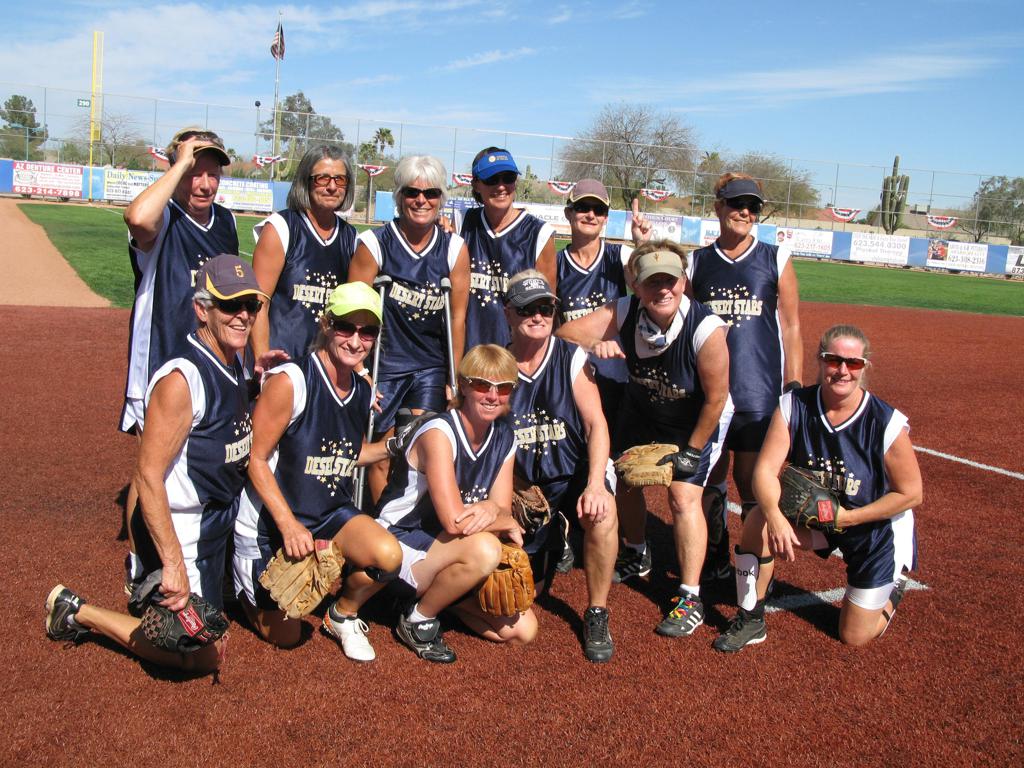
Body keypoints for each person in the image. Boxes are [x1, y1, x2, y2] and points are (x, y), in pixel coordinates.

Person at [45, 255, 267, 674]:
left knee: (227, 618)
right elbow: (146, 474)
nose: (243, 315)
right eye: (229, 305)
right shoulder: (180, 380)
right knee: (203, 654)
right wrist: (171, 563)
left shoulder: (234, 360)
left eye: (250, 306)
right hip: (181, 529)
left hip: (216, 524)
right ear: (202, 309)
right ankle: (78, 611)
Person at [558, 241, 732, 639]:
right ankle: (636, 551)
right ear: (636, 286)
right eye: (652, 282)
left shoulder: (706, 329)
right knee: (624, 478)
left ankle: (690, 596)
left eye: (670, 280)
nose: (663, 290)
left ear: (683, 281)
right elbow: (565, 334)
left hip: (696, 418)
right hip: (644, 409)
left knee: (683, 497)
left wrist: (691, 451)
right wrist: (595, 343)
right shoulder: (624, 309)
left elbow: (717, 398)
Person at [713, 324, 921, 653]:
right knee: (757, 520)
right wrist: (776, 518)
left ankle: (894, 583)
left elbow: (911, 494)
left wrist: (849, 519)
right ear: (820, 360)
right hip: (820, 516)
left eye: (853, 363)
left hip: (873, 529)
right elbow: (765, 471)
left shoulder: (885, 422)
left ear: (865, 367)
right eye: (833, 359)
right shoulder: (793, 406)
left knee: (853, 636)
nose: (842, 370)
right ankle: (751, 618)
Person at [232, 282, 404, 661]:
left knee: (388, 557)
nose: (356, 341)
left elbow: (348, 452)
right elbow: (254, 459)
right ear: (326, 324)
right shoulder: (292, 380)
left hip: (328, 512)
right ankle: (238, 589)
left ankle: (342, 614)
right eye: (346, 327)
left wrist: (397, 445)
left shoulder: (360, 389)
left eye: (367, 331)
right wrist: (290, 524)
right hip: (271, 523)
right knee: (288, 633)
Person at [119, 127, 237, 588]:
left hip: (208, 365)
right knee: (151, 466)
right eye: (196, 172)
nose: (204, 184)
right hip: (161, 364)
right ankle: (140, 564)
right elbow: (136, 217)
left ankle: (201, 546)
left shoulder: (224, 222)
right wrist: (180, 163)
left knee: (198, 459)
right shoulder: (164, 216)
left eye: (212, 174)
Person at [377, 345, 534, 663]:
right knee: (487, 549)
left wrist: (498, 513)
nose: (492, 396)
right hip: (398, 541)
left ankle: (446, 599)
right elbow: (454, 521)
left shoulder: (504, 437)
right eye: (481, 385)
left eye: (503, 388)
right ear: (462, 385)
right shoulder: (439, 432)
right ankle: (417, 619)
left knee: (523, 631)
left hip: (449, 548)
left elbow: (501, 507)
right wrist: (504, 518)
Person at [687, 173, 803, 584]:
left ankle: (753, 572)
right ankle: (715, 555)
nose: (744, 213)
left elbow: (790, 327)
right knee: (710, 478)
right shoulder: (696, 262)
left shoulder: (775, 257)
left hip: (759, 391)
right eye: (736, 204)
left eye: (752, 206)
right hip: (711, 395)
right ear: (718, 206)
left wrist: (793, 388)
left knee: (753, 483)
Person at [504, 270, 618, 662]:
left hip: (572, 477)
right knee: (511, 600)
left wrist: (597, 483)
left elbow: (596, 424)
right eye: (526, 309)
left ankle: (597, 611)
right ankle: (551, 543)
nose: (537, 316)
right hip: (525, 491)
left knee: (603, 515)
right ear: (508, 313)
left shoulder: (571, 359)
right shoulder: (497, 366)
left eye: (545, 308)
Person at [348, 155, 470, 502]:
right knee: (382, 451)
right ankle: (377, 529)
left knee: (420, 450)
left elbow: (457, 318)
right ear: (399, 196)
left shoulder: (454, 249)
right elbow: (353, 308)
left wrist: (454, 378)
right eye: (413, 192)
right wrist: (359, 369)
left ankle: (408, 529)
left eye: (431, 193)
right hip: (384, 365)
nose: (422, 201)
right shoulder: (374, 245)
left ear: (441, 198)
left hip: (430, 367)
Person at [553, 179, 650, 574]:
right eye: (582, 208)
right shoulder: (556, 263)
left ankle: (638, 547)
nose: (590, 215)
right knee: (564, 457)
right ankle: (559, 534)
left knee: (623, 468)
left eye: (598, 210)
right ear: (569, 214)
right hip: (572, 378)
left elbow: (649, 285)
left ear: (607, 217)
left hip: (618, 380)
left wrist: (641, 243)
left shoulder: (618, 259)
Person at [250, 145, 359, 360]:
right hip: (282, 360)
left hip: (326, 366)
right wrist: (263, 358)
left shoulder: (351, 237)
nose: (331, 187)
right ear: (305, 181)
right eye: (322, 178)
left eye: (340, 180)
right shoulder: (281, 227)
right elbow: (257, 302)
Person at [460, 147, 556, 349]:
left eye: (508, 178)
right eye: (492, 179)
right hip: (469, 353)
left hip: (515, 357)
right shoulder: (461, 224)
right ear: (476, 184)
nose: (501, 186)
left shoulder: (539, 234)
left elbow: (547, 310)